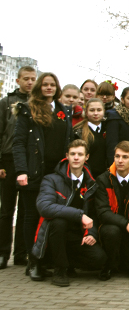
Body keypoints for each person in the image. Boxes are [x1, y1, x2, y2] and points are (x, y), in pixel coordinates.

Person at [13, 72, 73, 281]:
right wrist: (21, 171)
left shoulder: (63, 111)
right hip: (33, 171)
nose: (49, 88)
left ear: (57, 88)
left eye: (52, 85)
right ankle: (33, 262)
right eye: (45, 84)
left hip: (56, 173)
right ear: (39, 87)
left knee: (51, 215)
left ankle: (46, 258)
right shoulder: (27, 110)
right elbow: (18, 143)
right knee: (31, 216)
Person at [34, 140, 108, 286]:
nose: (76, 158)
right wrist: (79, 215)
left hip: (77, 235)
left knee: (99, 259)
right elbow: (45, 207)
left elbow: (93, 214)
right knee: (59, 222)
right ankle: (59, 270)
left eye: (80, 154)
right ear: (66, 156)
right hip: (53, 234)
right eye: (73, 154)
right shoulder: (51, 179)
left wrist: (91, 234)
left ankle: (67, 262)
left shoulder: (92, 184)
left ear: (86, 157)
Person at [94, 141, 129, 281]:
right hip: (111, 231)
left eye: (125, 157)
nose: (120, 160)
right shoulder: (103, 180)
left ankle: (123, 261)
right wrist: (126, 224)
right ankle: (109, 265)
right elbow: (103, 213)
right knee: (112, 231)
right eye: (117, 156)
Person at [0, 66, 34, 269]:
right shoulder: (6, 103)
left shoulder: (36, 104)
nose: (29, 82)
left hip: (29, 162)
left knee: (25, 210)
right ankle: (3, 252)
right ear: (18, 80)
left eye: (33, 79)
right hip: (8, 160)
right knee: (6, 210)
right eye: (26, 79)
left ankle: (21, 254)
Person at [73, 99, 108, 178]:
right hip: (87, 175)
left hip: (105, 176)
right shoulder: (79, 131)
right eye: (92, 110)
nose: (95, 113)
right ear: (86, 111)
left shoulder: (109, 128)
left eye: (99, 110)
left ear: (104, 111)